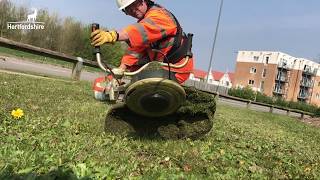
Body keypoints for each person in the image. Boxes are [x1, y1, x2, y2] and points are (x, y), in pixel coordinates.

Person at [91, 0, 194, 100]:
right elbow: (136, 50)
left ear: (144, 1)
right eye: (128, 9)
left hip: (176, 68)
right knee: (138, 91)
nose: (133, 10)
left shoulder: (160, 15)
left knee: (147, 98)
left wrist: (113, 35)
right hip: (162, 67)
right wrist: (119, 72)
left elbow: (140, 30)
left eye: (135, 4)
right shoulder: (145, 20)